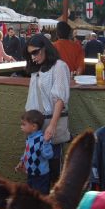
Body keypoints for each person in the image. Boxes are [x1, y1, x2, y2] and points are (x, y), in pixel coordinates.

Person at [23, 33, 71, 186]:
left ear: (45, 48)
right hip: (34, 127)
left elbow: (60, 99)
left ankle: (53, 205)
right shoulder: (37, 69)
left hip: (49, 124)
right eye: (30, 53)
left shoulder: (59, 66)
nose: (33, 57)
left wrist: (52, 125)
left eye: (35, 52)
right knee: (37, 170)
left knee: (53, 170)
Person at [15, 110, 54, 194]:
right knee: (31, 195)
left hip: (41, 176)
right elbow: (27, 152)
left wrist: (46, 142)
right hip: (30, 173)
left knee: (41, 197)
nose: (21, 126)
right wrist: (22, 162)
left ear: (33, 126)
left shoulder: (42, 139)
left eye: (24, 124)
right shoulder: (29, 138)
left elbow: (48, 155)